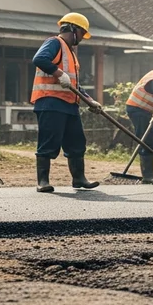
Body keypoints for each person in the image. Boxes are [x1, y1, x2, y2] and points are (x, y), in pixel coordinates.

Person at [31, 12, 104, 193]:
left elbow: (73, 84)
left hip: (70, 105)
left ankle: (79, 178)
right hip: (50, 102)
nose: (82, 38)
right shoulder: (54, 43)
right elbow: (39, 59)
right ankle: (42, 181)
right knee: (48, 142)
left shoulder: (71, 53)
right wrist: (58, 73)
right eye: (82, 33)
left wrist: (90, 101)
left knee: (77, 142)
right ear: (73, 29)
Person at [126, 65, 153, 183]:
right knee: (148, 142)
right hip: (139, 110)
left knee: (150, 141)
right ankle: (147, 175)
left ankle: (149, 173)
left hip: (142, 110)